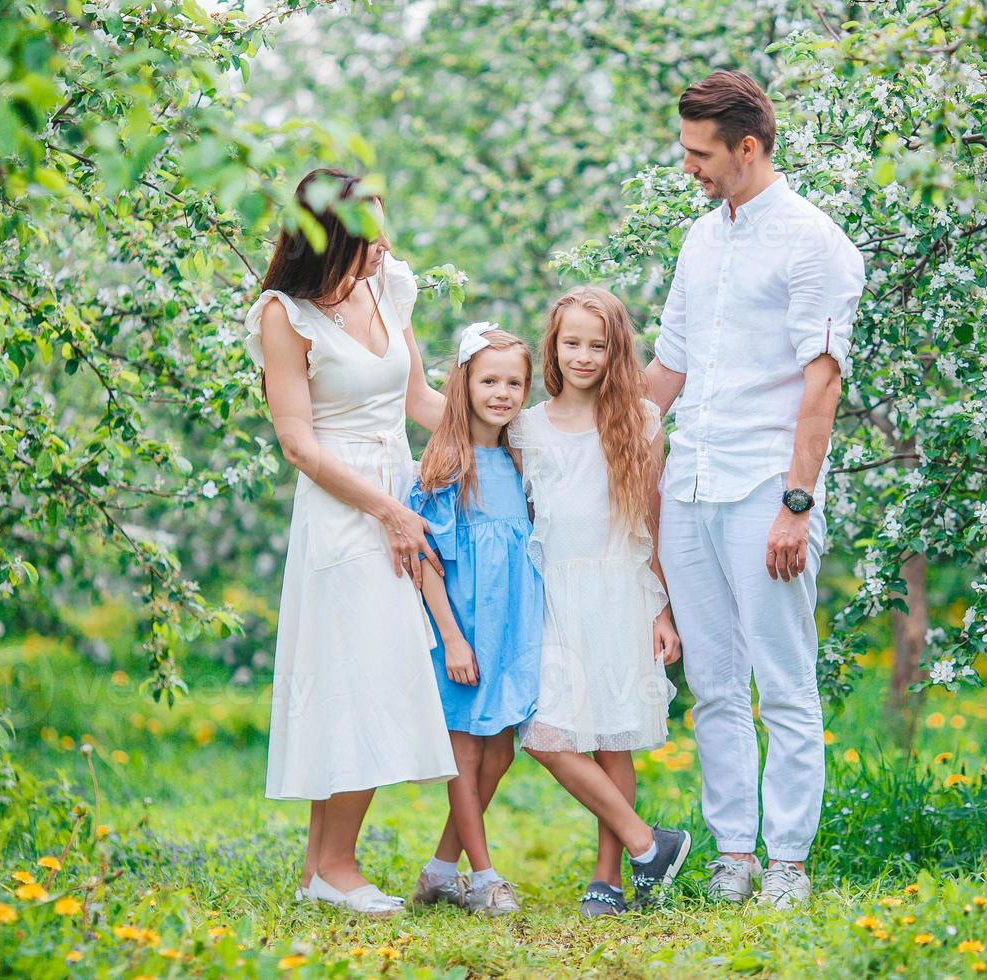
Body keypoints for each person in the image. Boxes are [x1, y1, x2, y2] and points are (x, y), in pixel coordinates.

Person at [644, 71, 867, 908]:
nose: (690, 168)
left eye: (701, 154)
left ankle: (788, 863)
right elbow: (668, 368)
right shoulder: (701, 240)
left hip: (766, 486)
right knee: (712, 683)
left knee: (782, 680)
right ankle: (734, 852)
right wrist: (585, 439)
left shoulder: (814, 241)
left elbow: (823, 384)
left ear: (748, 146)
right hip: (690, 481)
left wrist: (796, 506)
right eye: (684, 152)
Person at [244, 168, 457, 917]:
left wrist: (508, 436)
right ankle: (335, 866)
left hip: (395, 488)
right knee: (355, 678)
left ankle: (320, 870)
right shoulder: (285, 315)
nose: (385, 246)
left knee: (371, 671)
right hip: (342, 508)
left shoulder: (386, 285)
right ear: (327, 239)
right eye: (367, 236)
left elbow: (422, 401)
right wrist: (386, 513)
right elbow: (297, 443)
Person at [509, 286, 690, 917]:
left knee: (613, 739)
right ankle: (651, 844)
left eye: (598, 343)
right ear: (553, 347)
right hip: (554, 595)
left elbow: (652, 518)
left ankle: (609, 879)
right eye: (571, 342)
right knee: (546, 734)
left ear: (616, 350)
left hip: (620, 590)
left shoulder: (637, 420)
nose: (583, 355)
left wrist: (662, 609)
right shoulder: (524, 427)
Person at [406, 324, 542, 917]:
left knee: (502, 749)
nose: (502, 393)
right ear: (463, 383)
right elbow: (428, 563)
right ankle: (483, 878)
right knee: (465, 750)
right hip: (463, 627)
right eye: (489, 380)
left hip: (513, 625)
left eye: (515, 382)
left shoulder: (520, 458)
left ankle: (439, 871)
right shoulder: (447, 462)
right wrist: (452, 638)